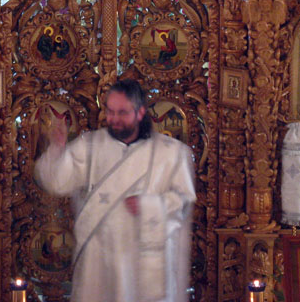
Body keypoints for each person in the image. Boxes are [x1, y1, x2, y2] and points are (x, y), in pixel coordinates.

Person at [35, 79, 195, 302]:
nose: (114, 119)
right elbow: (56, 182)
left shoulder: (171, 153)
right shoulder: (90, 146)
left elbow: (184, 200)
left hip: (143, 261)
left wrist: (149, 205)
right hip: (100, 260)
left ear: (140, 112)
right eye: (110, 111)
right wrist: (57, 150)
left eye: (122, 112)